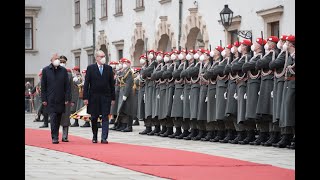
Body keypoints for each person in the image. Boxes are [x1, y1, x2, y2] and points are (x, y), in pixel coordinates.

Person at [83, 50, 115, 144]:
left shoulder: (108, 68)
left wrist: (113, 98)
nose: (103, 58)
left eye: (104, 56)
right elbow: (86, 84)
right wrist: (85, 97)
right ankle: (94, 136)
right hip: (94, 97)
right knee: (94, 117)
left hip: (106, 97)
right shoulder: (91, 68)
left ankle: (104, 137)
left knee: (105, 117)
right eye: (101, 56)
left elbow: (111, 84)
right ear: (96, 58)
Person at [41, 53, 71, 144]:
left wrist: (67, 98)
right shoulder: (46, 70)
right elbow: (43, 86)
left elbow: (67, 86)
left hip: (61, 99)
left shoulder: (63, 71)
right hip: (50, 99)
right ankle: (54, 137)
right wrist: (44, 99)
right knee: (53, 118)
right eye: (56, 58)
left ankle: (56, 134)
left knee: (58, 118)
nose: (57, 60)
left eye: (58, 58)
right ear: (51, 60)